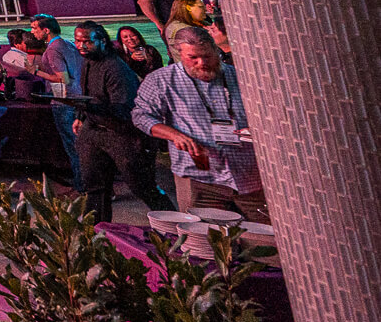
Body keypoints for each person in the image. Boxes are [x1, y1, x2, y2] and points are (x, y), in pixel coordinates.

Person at [133, 25, 270, 221]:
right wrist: (174, 135)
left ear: (216, 49)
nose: (202, 62)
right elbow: (141, 116)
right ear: (179, 54)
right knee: (209, 240)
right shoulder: (162, 80)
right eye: (193, 58)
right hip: (203, 178)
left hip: (249, 174)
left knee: (265, 238)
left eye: (207, 55)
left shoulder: (239, 75)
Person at [71, 22, 169, 222]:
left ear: (102, 41)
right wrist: (80, 116)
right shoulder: (88, 62)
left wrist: (89, 107)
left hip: (120, 134)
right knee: (94, 186)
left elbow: (124, 109)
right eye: (78, 41)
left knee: (141, 185)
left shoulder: (115, 67)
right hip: (94, 131)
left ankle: (172, 224)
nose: (81, 46)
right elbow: (88, 93)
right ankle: (96, 232)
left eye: (87, 41)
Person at [28, 14, 84, 191]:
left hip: (64, 100)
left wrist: (35, 72)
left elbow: (62, 79)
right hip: (78, 97)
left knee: (73, 144)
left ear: (46, 30)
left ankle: (82, 185)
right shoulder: (67, 43)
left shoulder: (52, 50)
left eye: (35, 28)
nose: (32, 32)